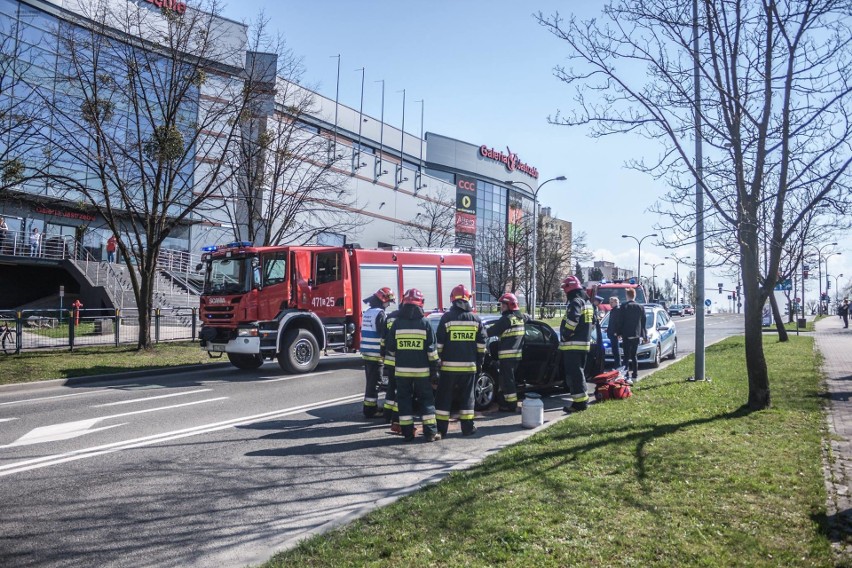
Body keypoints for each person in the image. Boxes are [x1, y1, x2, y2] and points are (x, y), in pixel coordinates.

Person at [386, 288, 441, 442]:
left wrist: (403, 356)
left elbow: (390, 348)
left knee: (404, 401)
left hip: (402, 372)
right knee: (426, 401)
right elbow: (432, 351)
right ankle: (430, 433)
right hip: (422, 372)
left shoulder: (397, 324)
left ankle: (408, 433)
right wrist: (434, 370)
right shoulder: (425, 323)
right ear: (420, 304)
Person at [435, 284, 487, 437]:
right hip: (469, 368)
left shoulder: (446, 318)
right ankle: (467, 428)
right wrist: (479, 362)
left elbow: (439, 344)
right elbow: (482, 345)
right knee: (467, 399)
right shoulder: (475, 319)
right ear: (468, 300)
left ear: (453, 300)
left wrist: (438, 361)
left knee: (444, 398)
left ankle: (441, 429)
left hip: (448, 368)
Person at [559, 276, 595, 413]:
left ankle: (579, 404)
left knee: (574, 375)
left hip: (573, 346)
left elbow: (572, 321)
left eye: (565, 289)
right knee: (579, 374)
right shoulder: (587, 303)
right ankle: (582, 400)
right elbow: (594, 322)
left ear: (569, 288)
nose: (564, 292)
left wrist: (564, 335)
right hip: (584, 344)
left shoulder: (575, 302)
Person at [487, 292, 527, 412]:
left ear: (510, 305)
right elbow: (527, 317)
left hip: (506, 356)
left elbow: (490, 332)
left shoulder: (506, 320)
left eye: (503, 305)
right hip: (516, 356)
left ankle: (511, 405)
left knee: (508, 381)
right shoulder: (520, 319)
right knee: (508, 380)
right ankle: (504, 402)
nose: (501, 307)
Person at [360, 287, 395, 418]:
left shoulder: (369, 312)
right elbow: (383, 333)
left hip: (367, 352)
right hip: (376, 353)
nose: (389, 304)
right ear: (383, 300)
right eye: (388, 301)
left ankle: (369, 408)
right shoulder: (380, 313)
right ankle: (370, 410)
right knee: (375, 382)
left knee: (370, 381)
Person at [616, 287, 647, 381]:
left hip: (626, 334)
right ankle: (635, 375)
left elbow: (620, 321)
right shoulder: (640, 307)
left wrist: (618, 332)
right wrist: (644, 335)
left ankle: (626, 375)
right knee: (634, 355)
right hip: (636, 334)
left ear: (627, 296)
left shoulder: (624, 306)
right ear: (634, 295)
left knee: (626, 356)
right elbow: (643, 322)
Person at [606, 296, 623, 369]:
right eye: (609, 302)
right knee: (614, 350)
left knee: (616, 350)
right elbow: (611, 322)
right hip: (611, 332)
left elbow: (619, 322)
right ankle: (617, 365)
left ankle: (618, 365)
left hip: (615, 333)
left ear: (616, 302)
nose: (610, 304)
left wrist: (617, 332)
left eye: (611, 302)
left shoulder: (618, 310)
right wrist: (608, 329)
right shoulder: (613, 310)